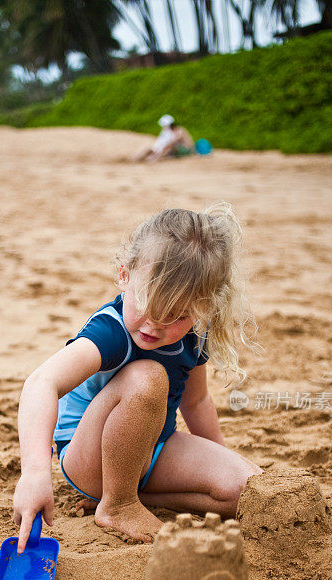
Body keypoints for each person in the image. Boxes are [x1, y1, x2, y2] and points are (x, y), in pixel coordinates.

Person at [13, 204, 262, 553]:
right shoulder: (111, 332)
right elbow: (42, 383)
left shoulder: (194, 336)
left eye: (176, 316)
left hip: (154, 449)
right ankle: (118, 504)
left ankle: (132, 494)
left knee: (248, 490)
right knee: (148, 376)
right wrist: (35, 473)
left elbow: (196, 402)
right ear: (124, 275)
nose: (153, 326)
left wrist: (217, 457)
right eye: (146, 305)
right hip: (91, 456)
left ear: (203, 307)